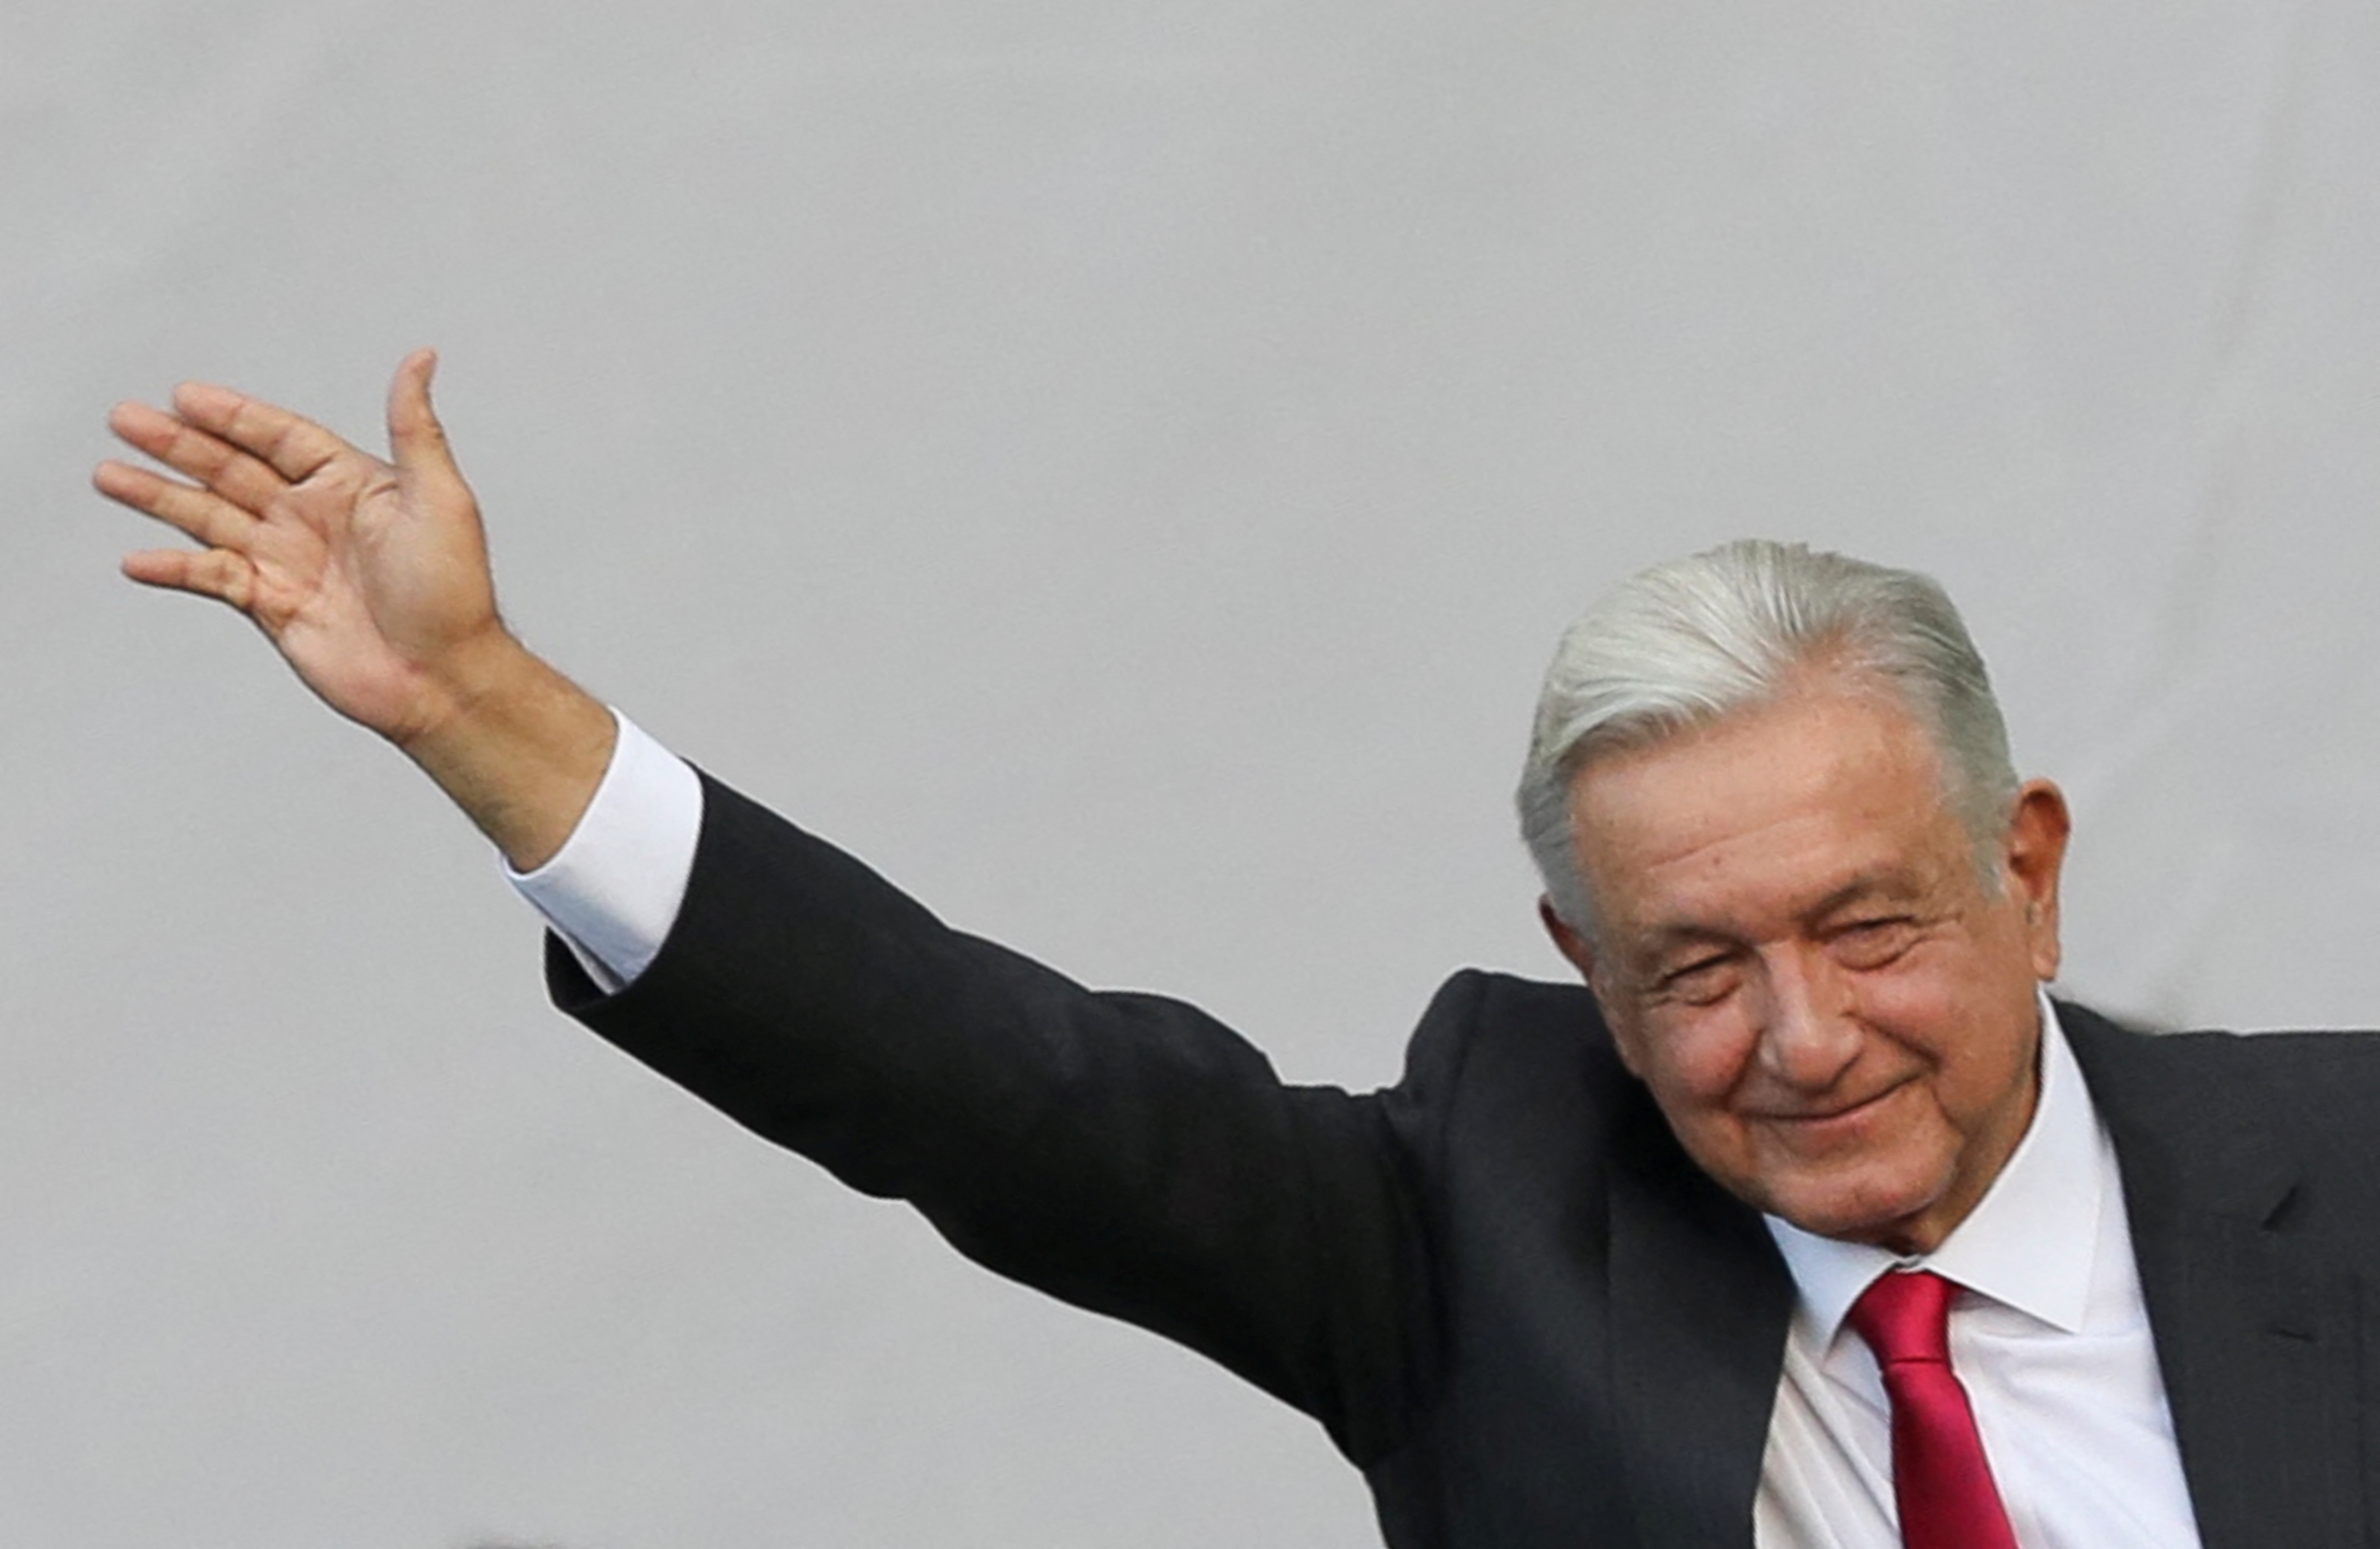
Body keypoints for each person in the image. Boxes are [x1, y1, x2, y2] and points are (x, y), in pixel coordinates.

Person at [93, 355, 2380, 1549]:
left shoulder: (2346, 1169)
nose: (1799, 1038)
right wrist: (481, 710)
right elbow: (997, 1091)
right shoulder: (1479, 1230)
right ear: (1585, 970)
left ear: (2027, 870)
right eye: (1695, 969)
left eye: (1868, 929)